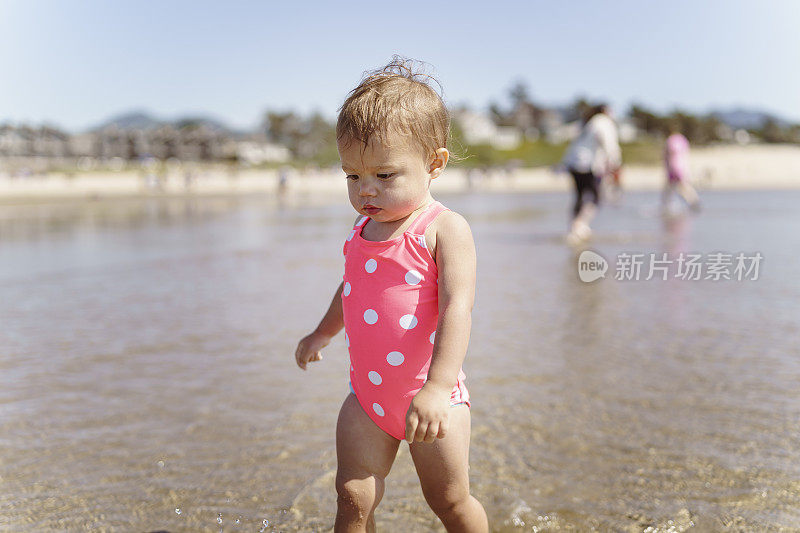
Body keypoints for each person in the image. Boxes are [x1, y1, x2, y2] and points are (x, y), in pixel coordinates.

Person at [294, 58, 488, 533]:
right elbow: (353, 289)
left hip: (430, 395)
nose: (366, 191)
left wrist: (438, 389)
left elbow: (457, 309)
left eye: (384, 175)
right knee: (352, 497)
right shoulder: (362, 228)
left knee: (449, 501)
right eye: (352, 177)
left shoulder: (442, 228)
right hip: (368, 397)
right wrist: (322, 332)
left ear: (434, 164)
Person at [561, 104, 621, 243]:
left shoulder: (587, 123)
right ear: (605, 111)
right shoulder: (603, 122)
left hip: (574, 163)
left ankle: (575, 227)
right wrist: (614, 163)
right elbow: (608, 143)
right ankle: (579, 225)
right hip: (589, 165)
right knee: (595, 197)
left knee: (580, 195)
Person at [662, 128, 701, 212]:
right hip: (683, 167)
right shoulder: (683, 140)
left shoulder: (671, 140)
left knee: (674, 187)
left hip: (674, 167)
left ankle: (693, 202)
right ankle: (693, 201)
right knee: (678, 187)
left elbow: (669, 154)